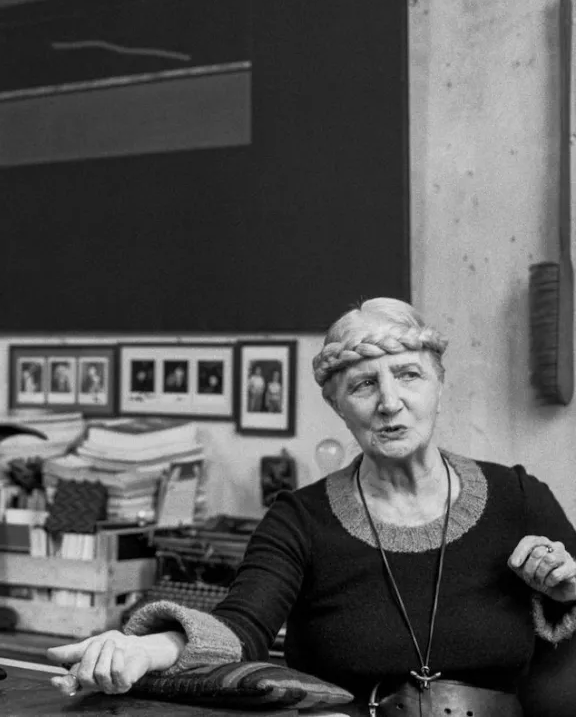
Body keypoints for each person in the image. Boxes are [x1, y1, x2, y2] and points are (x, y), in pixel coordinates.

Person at [47, 297, 576, 716]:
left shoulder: (518, 498)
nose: (390, 402)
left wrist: (566, 588)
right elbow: (241, 628)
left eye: (409, 375)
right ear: (337, 405)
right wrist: (144, 650)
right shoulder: (299, 520)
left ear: (440, 383)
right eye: (364, 384)